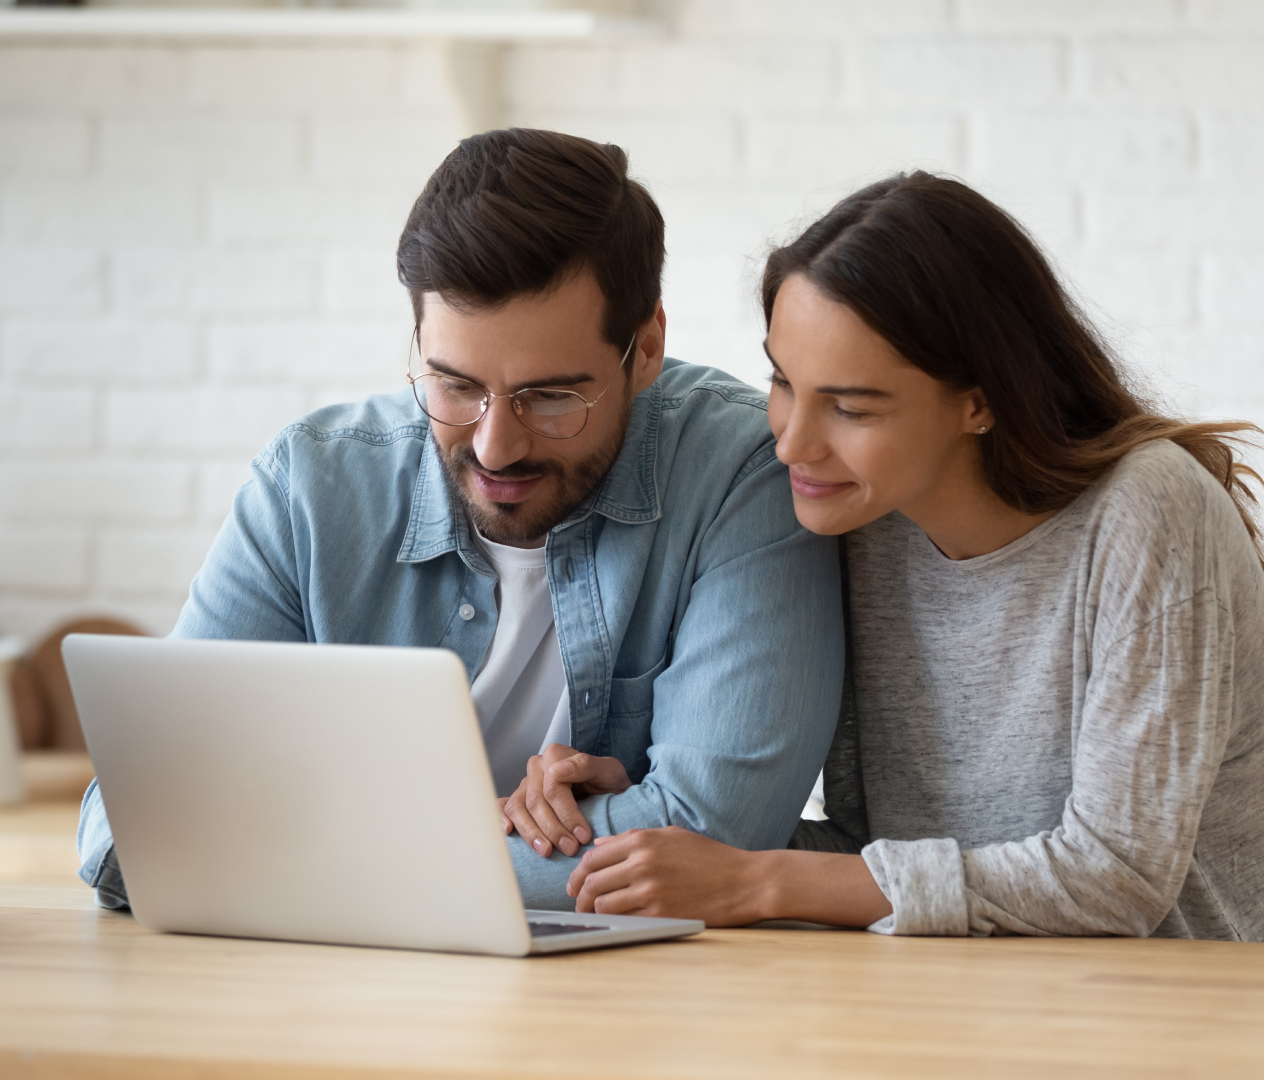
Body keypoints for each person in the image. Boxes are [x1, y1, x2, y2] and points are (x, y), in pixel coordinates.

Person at [77, 129, 844, 912]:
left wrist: (307, 852)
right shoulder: (309, 487)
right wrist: (474, 839)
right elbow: (130, 829)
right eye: (453, 385)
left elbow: (716, 835)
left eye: (550, 397)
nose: (495, 446)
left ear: (645, 349)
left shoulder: (742, 474)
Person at [564, 172, 1264, 939]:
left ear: (981, 399)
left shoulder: (1149, 511)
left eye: (852, 406)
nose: (790, 442)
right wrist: (659, 833)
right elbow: (885, 865)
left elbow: (1117, 879)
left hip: (1170, 1017)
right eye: (783, 381)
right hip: (950, 1002)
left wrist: (762, 877)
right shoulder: (863, 522)